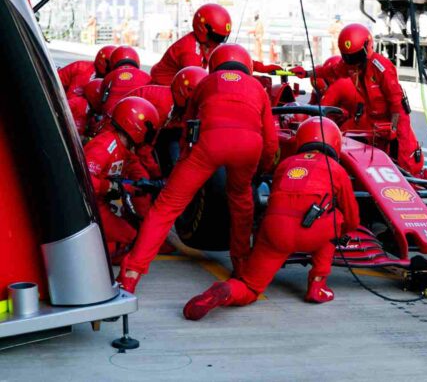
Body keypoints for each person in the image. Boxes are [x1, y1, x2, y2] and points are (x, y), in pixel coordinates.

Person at [118, 44, 279, 293]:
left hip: (209, 145)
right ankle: (240, 265)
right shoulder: (258, 87)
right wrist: (261, 170)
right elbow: (271, 141)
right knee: (241, 202)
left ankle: (131, 274)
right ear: (247, 66)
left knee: (166, 207)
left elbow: (188, 130)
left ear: (213, 65)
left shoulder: (205, 83)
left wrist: (184, 162)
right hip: (249, 147)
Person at [182, 117, 360, 320]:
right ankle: (317, 285)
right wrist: (342, 234)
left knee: (250, 287)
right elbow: (352, 216)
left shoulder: (284, 165)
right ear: (335, 142)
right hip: (314, 233)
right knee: (336, 219)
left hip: (275, 231)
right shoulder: (336, 169)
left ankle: (226, 291)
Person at [290, 23, 425, 177]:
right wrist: (307, 73)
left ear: (367, 46)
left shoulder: (381, 67)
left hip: (394, 120)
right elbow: (329, 70)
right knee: (370, 156)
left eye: (355, 57)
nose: (353, 62)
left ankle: (411, 185)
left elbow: (396, 101)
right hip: (372, 120)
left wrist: (393, 128)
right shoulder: (349, 65)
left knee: (404, 161)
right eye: (348, 58)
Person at [84, 97, 160, 257]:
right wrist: (110, 187)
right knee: (129, 238)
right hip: (87, 206)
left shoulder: (124, 149)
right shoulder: (105, 145)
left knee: (132, 235)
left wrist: (146, 186)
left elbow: (136, 175)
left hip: (98, 203)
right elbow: (84, 181)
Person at [150, 4, 231, 85]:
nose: (217, 42)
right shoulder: (190, 53)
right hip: (164, 87)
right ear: (203, 29)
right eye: (216, 37)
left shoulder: (203, 42)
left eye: (222, 38)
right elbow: (195, 85)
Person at [100, 46, 151, 114]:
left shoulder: (109, 77)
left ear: (113, 61)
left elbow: (101, 101)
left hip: (113, 116)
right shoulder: (146, 76)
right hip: (138, 114)